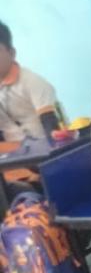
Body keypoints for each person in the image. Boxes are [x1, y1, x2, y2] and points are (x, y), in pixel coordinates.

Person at [0, 20, 65, 186]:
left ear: (12, 53)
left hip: (40, 157)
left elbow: (52, 129)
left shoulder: (33, 82)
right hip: (10, 161)